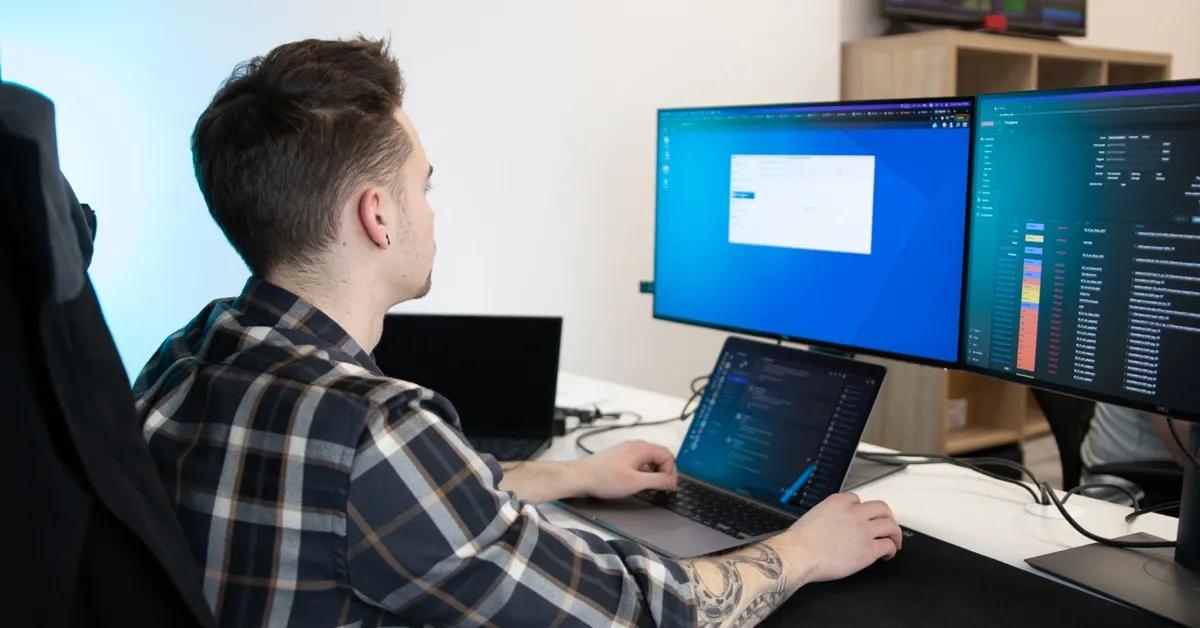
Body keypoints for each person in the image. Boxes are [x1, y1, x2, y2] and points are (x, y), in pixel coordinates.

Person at [133, 37, 902, 627]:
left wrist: (569, 478)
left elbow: (388, 502)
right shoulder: (373, 426)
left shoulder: (190, 352)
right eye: (423, 187)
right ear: (377, 215)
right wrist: (803, 551)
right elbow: (631, 613)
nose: (431, 213)